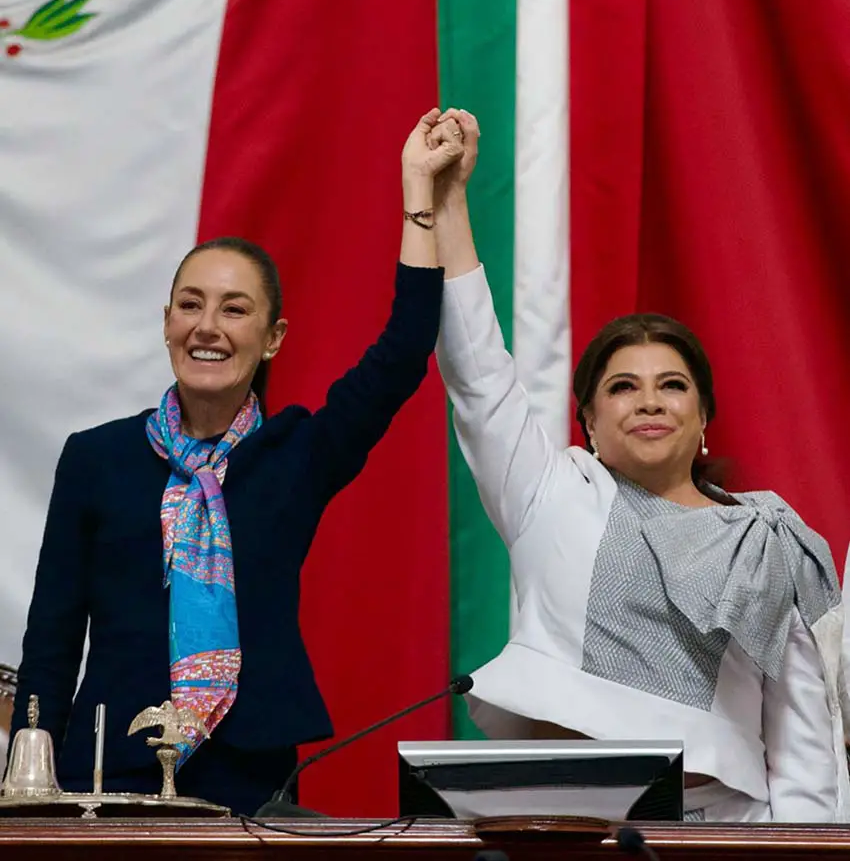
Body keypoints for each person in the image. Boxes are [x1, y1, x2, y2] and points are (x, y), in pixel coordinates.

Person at [8, 110, 461, 816]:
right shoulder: (96, 458)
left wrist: (420, 196)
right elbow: (54, 635)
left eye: (234, 309)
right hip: (105, 770)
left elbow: (404, 350)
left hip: (250, 778)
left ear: (273, 337)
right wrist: (29, 781)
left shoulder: (295, 455)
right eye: (190, 305)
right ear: (166, 324)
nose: (208, 327)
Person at [429, 108, 850, 822]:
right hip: (560, 828)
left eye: (672, 385)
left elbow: (803, 735)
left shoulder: (767, 537)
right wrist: (446, 203)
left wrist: (806, 847)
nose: (648, 403)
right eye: (622, 387)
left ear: (704, 418)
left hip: (725, 834)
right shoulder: (551, 494)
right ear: (588, 421)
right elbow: (478, 376)